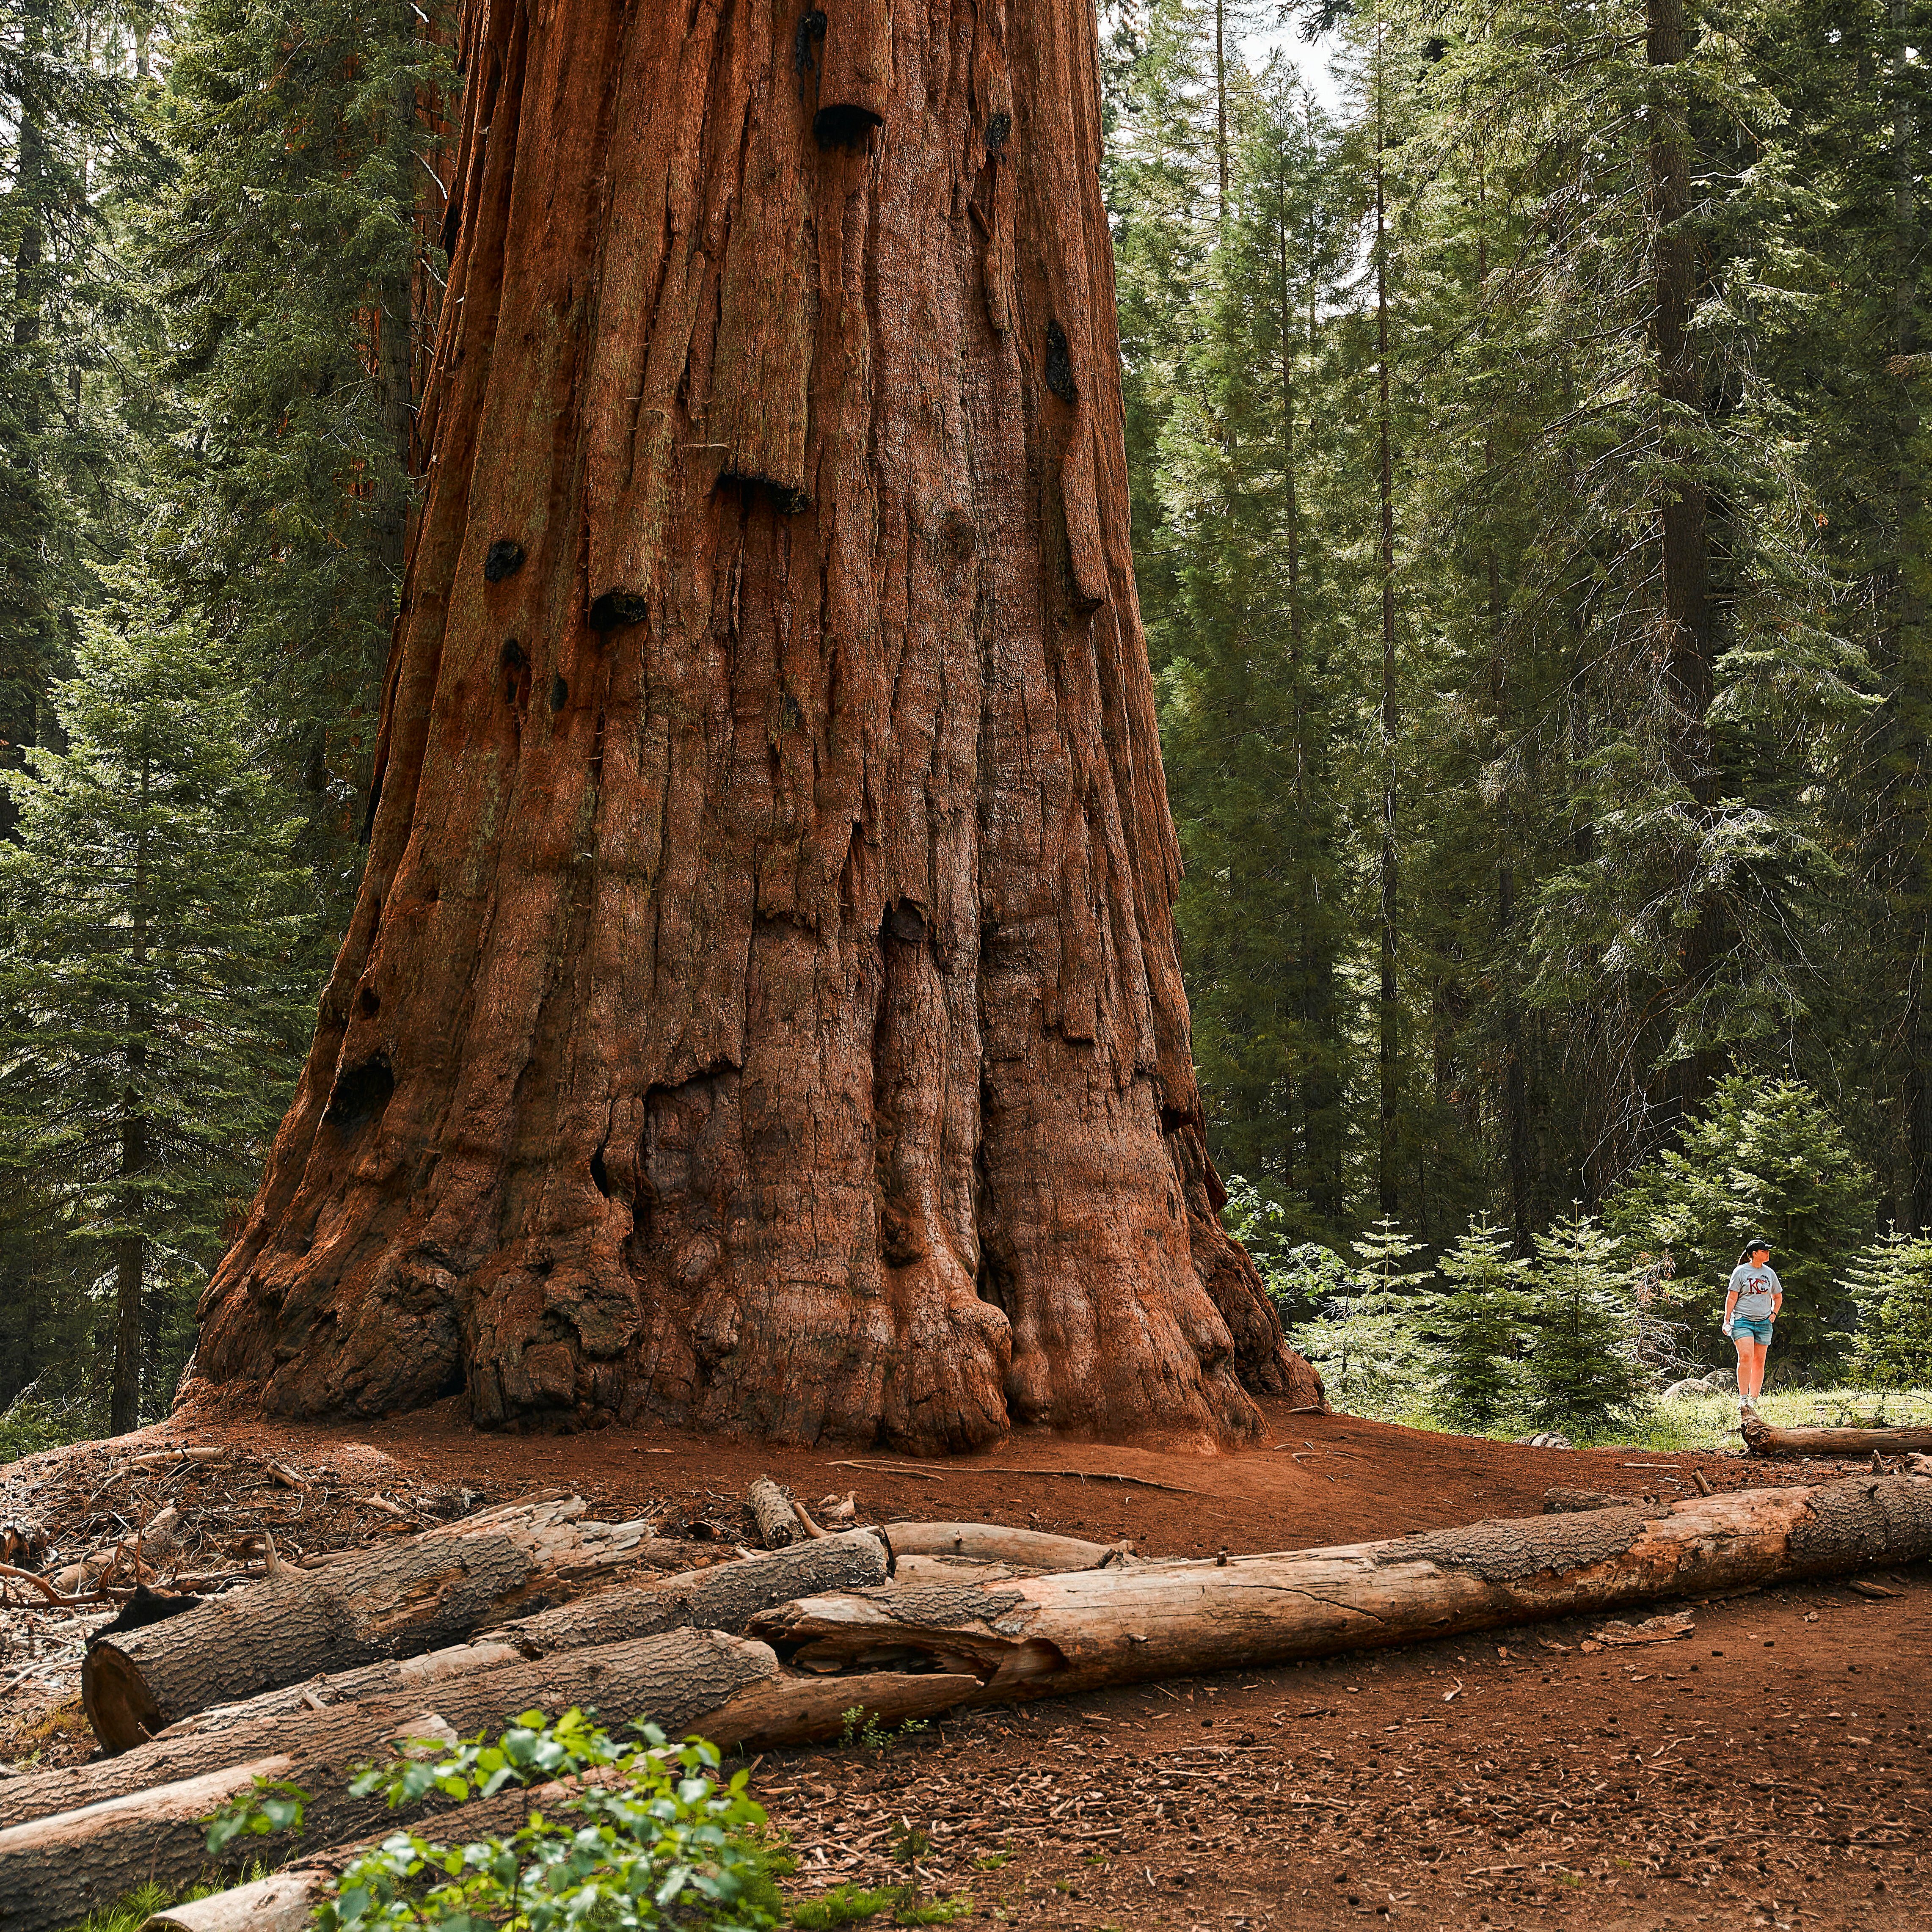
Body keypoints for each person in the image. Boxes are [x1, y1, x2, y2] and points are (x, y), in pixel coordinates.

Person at [1722, 1238, 1782, 1410]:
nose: (1768, 1253)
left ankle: (1754, 1399)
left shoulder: (1770, 1273)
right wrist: (1727, 1320)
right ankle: (1743, 1398)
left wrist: (1774, 1313)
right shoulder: (1740, 1272)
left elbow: (1777, 1297)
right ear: (1754, 1253)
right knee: (1746, 1356)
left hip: (1764, 1322)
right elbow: (1732, 1297)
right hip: (1742, 1320)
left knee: (1759, 1361)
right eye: (1764, 1251)